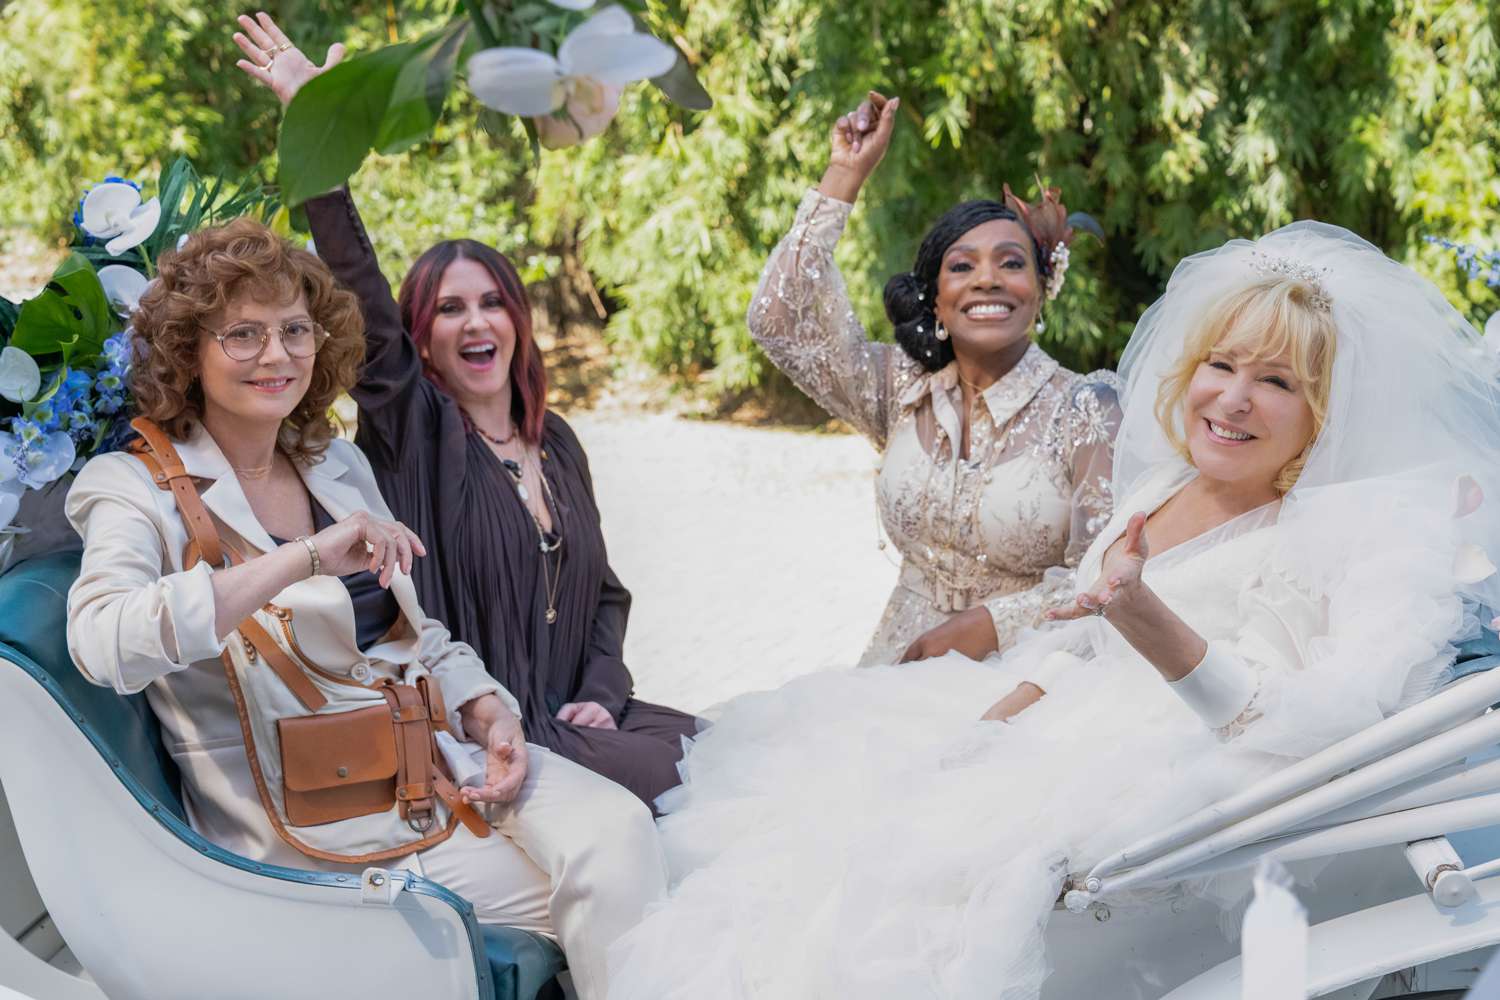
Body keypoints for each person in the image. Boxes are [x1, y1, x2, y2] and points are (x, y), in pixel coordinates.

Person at [604, 222, 1500, 998]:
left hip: (1181, 776)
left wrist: (1155, 628)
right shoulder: (1161, 483)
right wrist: (992, 722)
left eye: (1277, 382)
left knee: (903, 882)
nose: (1232, 397)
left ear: (1326, 413)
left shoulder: (1348, 532)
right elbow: (1076, 644)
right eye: (1221, 365)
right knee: (819, 798)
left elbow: (1332, 719)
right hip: (1066, 716)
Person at [64, 218, 665, 1000]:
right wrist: (302, 558)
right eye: (242, 334)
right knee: (613, 894)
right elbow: (103, 641)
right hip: (307, 820)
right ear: (189, 350)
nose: (276, 355)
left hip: (427, 762)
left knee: (623, 830)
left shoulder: (331, 463)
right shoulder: (131, 486)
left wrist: (486, 709)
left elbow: (416, 631)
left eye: (293, 330)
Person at [231, 12, 699, 808]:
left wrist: (604, 690)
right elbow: (363, 300)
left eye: (492, 303)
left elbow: (606, 596)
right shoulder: (419, 432)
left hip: (582, 717)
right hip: (480, 732)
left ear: (518, 320)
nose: (476, 322)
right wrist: (319, 130)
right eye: (449, 310)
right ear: (423, 338)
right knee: (689, 788)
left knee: (731, 756)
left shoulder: (557, 444)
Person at [747, 91, 1121, 667]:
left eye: (1012, 263)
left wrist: (994, 623)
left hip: (1032, 681)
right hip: (896, 671)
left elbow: (1110, 581)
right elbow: (779, 319)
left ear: (1043, 291)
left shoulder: (1087, 407)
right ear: (938, 303)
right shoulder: (900, 386)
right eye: (962, 266)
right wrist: (844, 173)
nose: (988, 279)